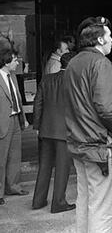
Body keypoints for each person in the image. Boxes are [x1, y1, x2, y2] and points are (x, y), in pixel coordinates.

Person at [65, 16, 112, 233]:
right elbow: (107, 109)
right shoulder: (100, 63)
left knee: (85, 202)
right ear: (100, 40)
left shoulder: (73, 62)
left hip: (79, 143)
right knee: (103, 209)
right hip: (100, 146)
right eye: (109, 36)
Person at [32, 51, 77, 213]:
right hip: (64, 131)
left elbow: (38, 104)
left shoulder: (46, 79)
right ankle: (58, 203)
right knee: (62, 168)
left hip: (46, 129)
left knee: (44, 166)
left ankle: (38, 201)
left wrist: (37, 126)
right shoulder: (73, 81)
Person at [0, 40, 29, 206]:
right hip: (3, 122)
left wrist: (23, 119)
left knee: (15, 156)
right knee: (1, 158)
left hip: (16, 120)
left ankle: (14, 186)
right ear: (6, 62)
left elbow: (18, 99)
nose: (17, 62)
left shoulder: (13, 77)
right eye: (15, 60)